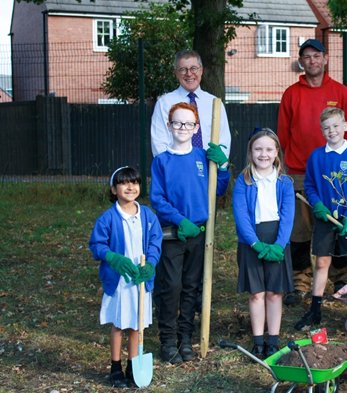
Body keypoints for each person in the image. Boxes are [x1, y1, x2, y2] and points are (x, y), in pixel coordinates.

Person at [278, 38, 347, 306]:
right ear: (301, 61)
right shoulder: (291, 93)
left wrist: (343, 166)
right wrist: (291, 163)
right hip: (299, 171)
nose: (312, 61)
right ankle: (300, 280)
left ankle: (342, 277)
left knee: (335, 225)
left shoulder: (341, 92)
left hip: (335, 173)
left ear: (325, 58)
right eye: (306, 56)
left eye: (316, 55)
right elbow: (283, 135)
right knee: (299, 231)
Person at [150, 102, 230, 364]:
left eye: (188, 123)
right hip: (174, 235)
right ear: (169, 126)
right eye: (177, 123)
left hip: (199, 236)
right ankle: (168, 340)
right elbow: (158, 199)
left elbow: (217, 190)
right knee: (171, 286)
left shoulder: (202, 158)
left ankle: (185, 338)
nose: (182, 127)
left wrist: (224, 167)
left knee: (191, 287)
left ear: (196, 127)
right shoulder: (161, 161)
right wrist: (179, 220)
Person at [294, 107, 347, 330]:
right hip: (326, 219)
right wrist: (317, 203)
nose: (332, 130)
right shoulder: (317, 156)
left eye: (336, 126)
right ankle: (315, 310)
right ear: (321, 130)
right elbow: (310, 185)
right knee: (322, 262)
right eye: (326, 127)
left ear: (345, 126)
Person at [89, 167, 163, 387]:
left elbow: (155, 242)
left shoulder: (148, 215)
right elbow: (97, 245)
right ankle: (115, 368)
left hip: (139, 282)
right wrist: (113, 258)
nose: (130, 187)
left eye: (135, 182)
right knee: (119, 325)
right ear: (114, 189)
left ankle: (133, 365)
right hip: (120, 282)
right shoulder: (108, 218)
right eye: (124, 183)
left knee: (136, 324)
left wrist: (150, 263)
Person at [232, 127, 295, 359]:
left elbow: (288, 217)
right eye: (258, 149)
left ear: (277, 152)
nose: (263, 154)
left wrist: (279, 245)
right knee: (256, 293)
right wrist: (256, 244)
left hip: (278, 239)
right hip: (252, 241)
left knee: (274, 293)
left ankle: (273, 342)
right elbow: (241, 216)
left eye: (269, 149)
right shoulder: (243, 180)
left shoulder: (285, 182)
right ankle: (258, 341)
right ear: (251, 152)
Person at [150, 50, 231, 158]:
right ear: (176, 73)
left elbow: (224, 140)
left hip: (208, 170)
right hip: (176, 169)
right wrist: (172, 169)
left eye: (193, 68)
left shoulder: (214, 103)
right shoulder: (164, 103)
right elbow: (159, 144)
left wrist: (218, 166)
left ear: (201, 70)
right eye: (183, 69)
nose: (189, 73)